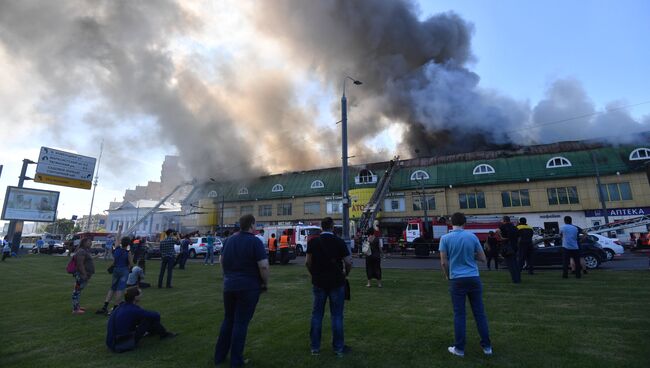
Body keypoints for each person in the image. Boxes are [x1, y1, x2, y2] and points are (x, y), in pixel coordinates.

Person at [214, 214, 269, 367]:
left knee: (228, 320)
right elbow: (263, 266)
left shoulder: (229, 240)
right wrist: (264, 283)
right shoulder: (255, 242)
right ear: (252, 225)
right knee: (241, 323)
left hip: (229, 286)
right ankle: (236, 360)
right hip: (248, 287)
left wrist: (226, 276)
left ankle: (219, 356)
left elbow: (221, 260)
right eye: (255, 225)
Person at [440, 212, 492, 357]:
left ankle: (460, 349)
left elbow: (444, 262)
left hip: (457, 279)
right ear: (465, 223)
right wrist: (470, 255)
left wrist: (447, 275)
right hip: (473, 277)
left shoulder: (445, 238)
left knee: (459, 314)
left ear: (451, 223)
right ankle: (487, 347)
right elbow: (483, 258)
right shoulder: (472, 236)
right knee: (479, 313)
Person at [306, 217, 353, 358]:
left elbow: (308, 262)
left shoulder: (313, 241)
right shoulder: (339, 241)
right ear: (332, 227)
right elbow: (348, 262)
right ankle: (338, 348)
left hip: (319, 282)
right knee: (337, 316)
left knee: (317, 315)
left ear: (321, 227)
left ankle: (315, 348)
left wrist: (313, 274)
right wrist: (345, 273)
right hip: (336, 282)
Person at [106, 287, 177, 352]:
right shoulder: (133, 310)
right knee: (149, 318)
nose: (142, 294)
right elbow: (156, 315)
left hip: (111, 342)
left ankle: (156, 332)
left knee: (144, 318)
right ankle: (164, 334)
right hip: (121, 344)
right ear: (135, 297)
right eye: (140, 293)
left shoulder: (122, 306)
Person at [97, 236, 133, 315]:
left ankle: (105, 306)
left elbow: (117, 239)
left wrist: (119, 229)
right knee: (120, 289)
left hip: (116, 270)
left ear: (121, 242)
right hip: (124, 271)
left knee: (112, 288)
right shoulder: (128, 253)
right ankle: (116, 307)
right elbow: (131, 264)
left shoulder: (116, 249)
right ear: (128, 244)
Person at [71, 238, 95, 314]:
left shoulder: (84, 251)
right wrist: (84, 274)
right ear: (84, 243)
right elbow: (80, 264)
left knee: (78, 290)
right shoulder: (81, 251)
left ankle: (77, 306)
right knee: (77, 291)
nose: (91, 243)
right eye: (89, 242)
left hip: (84, 274)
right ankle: (75, 309)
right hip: (81, 274)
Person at [498, 216, 520, 283]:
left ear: (504, 220)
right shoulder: (515, 227)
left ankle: (515, 280)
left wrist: (500, 235)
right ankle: (518, 278)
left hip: (507, 248)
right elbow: (518, 237)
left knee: (510, 265)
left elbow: (501, 237)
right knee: (515, 263)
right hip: (515, 247)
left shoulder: (502, 227)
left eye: (502, 220)